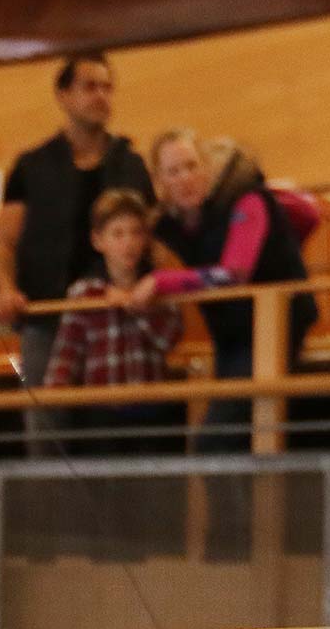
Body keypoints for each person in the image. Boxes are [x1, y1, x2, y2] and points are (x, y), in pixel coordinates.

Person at [0, 51, 156, 423]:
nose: (101, 96)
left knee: (116, 426)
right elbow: (4, 242)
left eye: (107, 87)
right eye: (90, 86)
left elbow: (154, 239)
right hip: (48, 316)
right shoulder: (31, 167)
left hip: (116, 317)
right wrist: (5, 287)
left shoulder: (131, 165)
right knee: (45, 425)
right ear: (63, 96)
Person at [132, 130, 320, 453]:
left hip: (274, 325)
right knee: (232, 443)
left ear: (205, 168)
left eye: (191, 166)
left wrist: (162, 282)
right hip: (231, 335)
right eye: (173, 171)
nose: (185, 178)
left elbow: (234, 273)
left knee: (214, 442)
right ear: (160, 181)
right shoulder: (174, 222)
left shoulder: (248, 200)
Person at [42, 188, 184, 451]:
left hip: (151, 413)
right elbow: (67, 354)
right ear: (98, 240)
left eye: (135, 232)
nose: (128, 243)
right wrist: (54, 396)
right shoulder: (85, 293)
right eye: (118, 234)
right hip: (102, 415)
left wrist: (135, 305)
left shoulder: (160, 288)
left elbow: (169, 339)